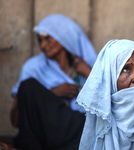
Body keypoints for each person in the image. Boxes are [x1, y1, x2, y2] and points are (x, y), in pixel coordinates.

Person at [10, 14, 97, 150]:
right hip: (46, 134)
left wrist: (89, 73)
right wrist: (53, 94)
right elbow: (16, 120)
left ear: (64, 36)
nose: (43, 45)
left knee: (90, 125)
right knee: (28, 86)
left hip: (78, 132)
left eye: (47, 38)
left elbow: (107, 104)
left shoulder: (86, 65)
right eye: (40, 40)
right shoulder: (33, 67)